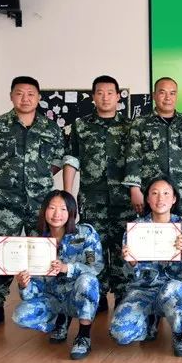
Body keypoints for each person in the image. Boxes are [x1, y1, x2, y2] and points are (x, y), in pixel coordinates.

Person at [0, 76, 64, 331]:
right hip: (6, 202)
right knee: (1, 252)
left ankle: (44, 303)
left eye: (30, 94)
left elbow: (57, 162)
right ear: (11, 96)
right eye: (19, 93)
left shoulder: (51, 129)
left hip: (40, 203)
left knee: (43, 251)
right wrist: (6, 180)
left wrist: (37, 181)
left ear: (39, 97)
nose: (25, 98)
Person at [124, 76, 182, 316]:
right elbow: (132, 158)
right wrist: (135, 188)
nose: (167, 97)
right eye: (162, 92)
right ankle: (150, 291)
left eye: (172, 93)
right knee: (150, 243)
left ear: (177, 96)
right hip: (152, 196)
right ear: (154, 95)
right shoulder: (140, 124)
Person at [63, 75, 135, 313]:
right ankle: (99, 292)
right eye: (100, 93)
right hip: (92, 199)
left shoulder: (131, 127)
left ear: (118, 96)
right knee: (94, 247)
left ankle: (123, 293)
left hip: (124, 200)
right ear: (93, 96)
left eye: (110, 93)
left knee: (123, 247)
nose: (105, 98)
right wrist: (67, 195)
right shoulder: (81, 126)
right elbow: (72, 159)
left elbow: (138, 163)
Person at [109, 177, 182, 357]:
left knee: (175, 289)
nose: (160, 199)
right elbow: (127, 274)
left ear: (174, 199)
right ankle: (150, 320)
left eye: (166, 193)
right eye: (155, 193)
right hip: (143, 290)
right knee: (120, 333)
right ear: (147, 199)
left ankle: (178, 333)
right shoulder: (136, 228)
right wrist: (131, 262)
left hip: (173, 290)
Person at [12, 190, 102, 360]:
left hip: (75, 296)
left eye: (63, 209)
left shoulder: (85, 233)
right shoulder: (35, 240)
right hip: (52, 298)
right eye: (52, 208)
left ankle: (83, 336)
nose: (56, 214)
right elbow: (32, 293)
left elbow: (95, 267)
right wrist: (24, 285)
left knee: (88, 281)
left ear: (71, 212)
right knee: (20, 315)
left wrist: (68, 268)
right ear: (44, 210)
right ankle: (60, 320)